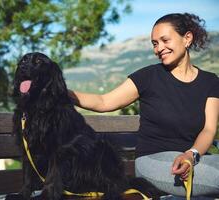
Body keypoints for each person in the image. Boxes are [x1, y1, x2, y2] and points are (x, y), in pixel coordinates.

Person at [69, 13, 219, 197]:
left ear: (187, 38)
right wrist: (62, 92)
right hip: (153, 161)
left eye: (164, 40)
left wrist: (191, 154)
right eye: (155, 44)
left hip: (193, 159)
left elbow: (208, 130)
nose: (159, 48)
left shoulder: (210, 82)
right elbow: (104, 101)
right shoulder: (147, 77)